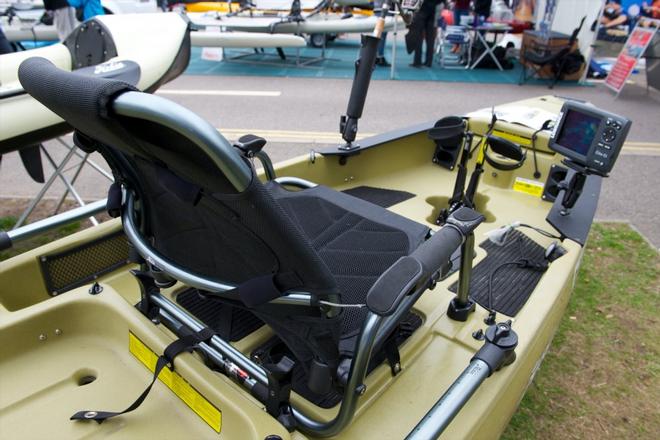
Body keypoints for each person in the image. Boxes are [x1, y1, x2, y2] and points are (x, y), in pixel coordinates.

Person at [410, 0, 442, 67]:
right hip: (433, 10)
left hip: (421, 10)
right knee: (430, 37)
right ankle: (428, 61)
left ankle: (417, 61)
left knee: (418, 36)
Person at [374, 0, 390, 67]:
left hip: (379, 9)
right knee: (381, 34)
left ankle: (378, 56)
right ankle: (379, 57)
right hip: (382, 10)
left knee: (380, 34)